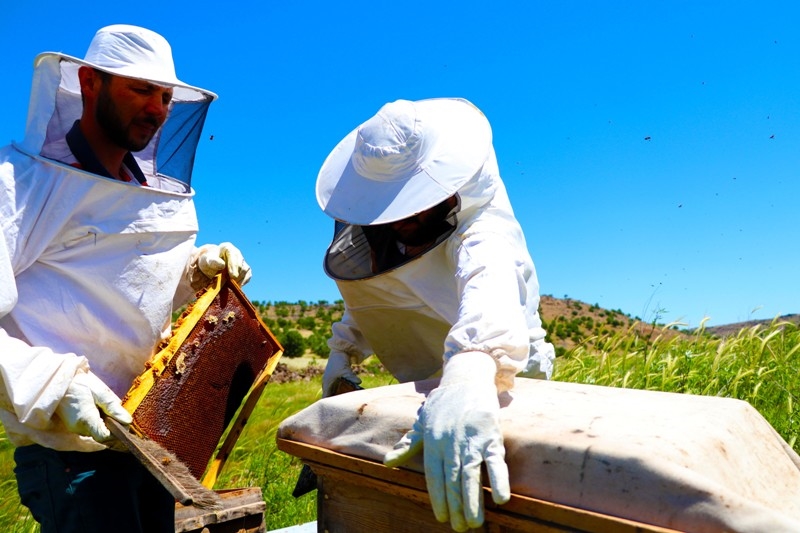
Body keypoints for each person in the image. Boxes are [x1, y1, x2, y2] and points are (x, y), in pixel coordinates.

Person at [0, 25, 250, 533]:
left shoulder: (145, 190)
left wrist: (196, 269)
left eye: (164, 96)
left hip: (151, 439)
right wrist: (51, 384)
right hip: (74, 454)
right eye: (140, 89)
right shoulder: (21, 183)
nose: (157, 109)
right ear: (89, 82)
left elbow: (131, 285)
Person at [316, 97, 556, 532]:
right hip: (426, 388)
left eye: (412, 203)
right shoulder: (393, 232)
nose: (402, 220)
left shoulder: (485, 233)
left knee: (506, 506)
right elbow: (383, 294)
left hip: (501, 379)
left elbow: (490, 293)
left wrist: (467, 376)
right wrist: (343, 352)